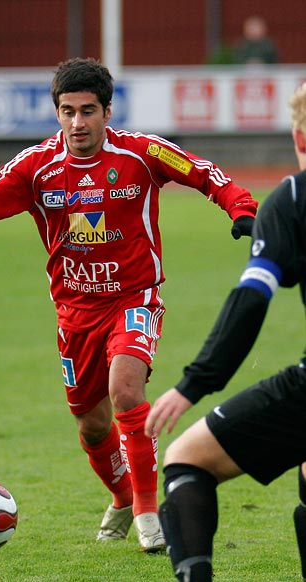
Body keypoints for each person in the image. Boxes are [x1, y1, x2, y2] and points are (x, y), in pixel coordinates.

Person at [0, 57, 257, 553]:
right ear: (57, 113)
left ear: (107, 111)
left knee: (126, 390)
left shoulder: (140, 153)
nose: (77, 123)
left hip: (135, 297)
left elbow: (203, 173)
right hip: (75, 313)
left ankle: (151, 517)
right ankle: (124, 495)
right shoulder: (36, 168)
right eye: (67, 111)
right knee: (92, 426)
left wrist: (241, 207)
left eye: (88, 111)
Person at [145, 82, 306, 581]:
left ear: (299, 136)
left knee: (186, 459)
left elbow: (252, 300)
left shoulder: (294, 198)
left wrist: (194, 382)